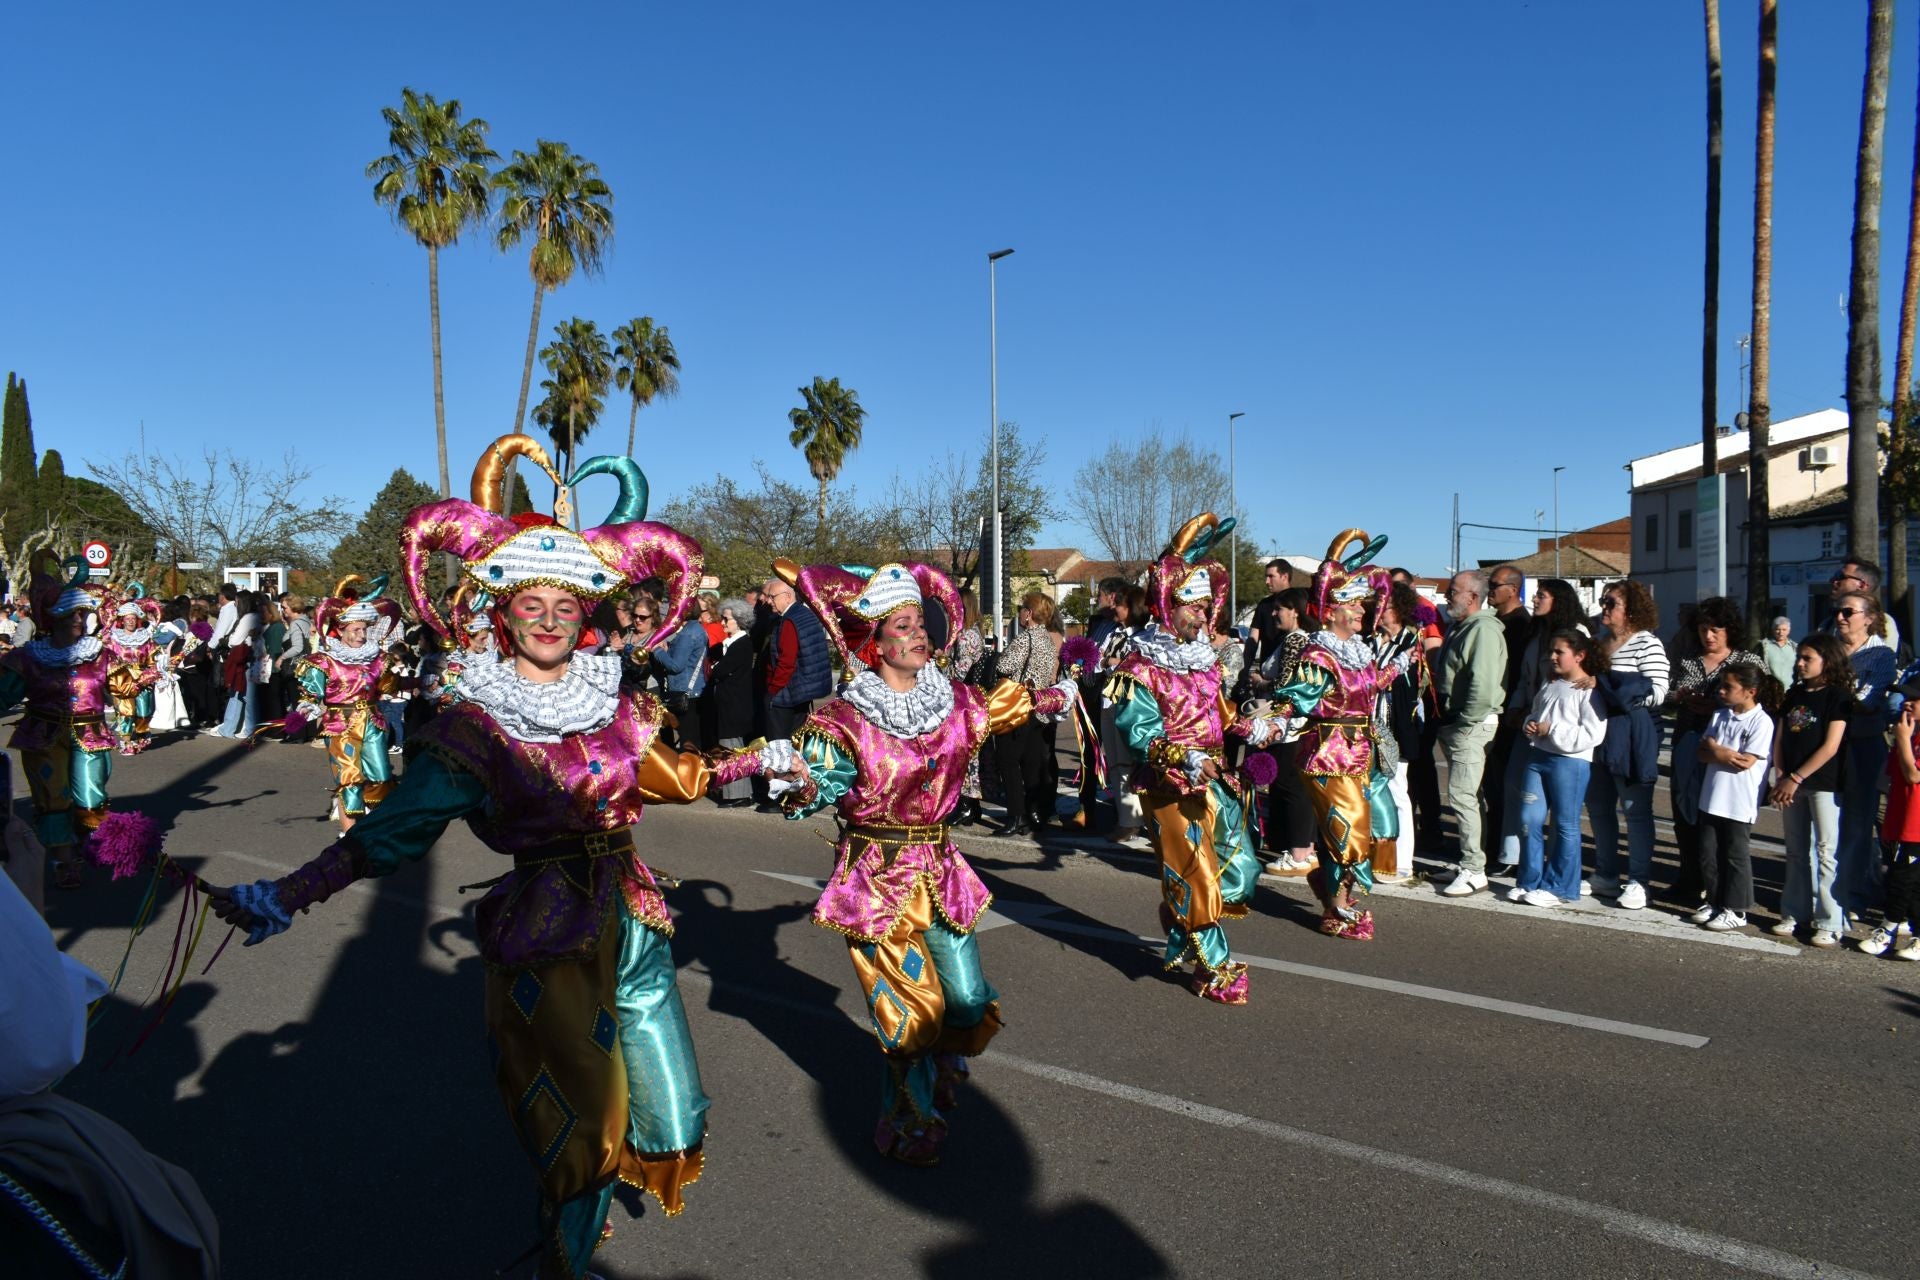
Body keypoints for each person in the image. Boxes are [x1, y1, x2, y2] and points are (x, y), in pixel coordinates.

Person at [211, 438, 790, 1280]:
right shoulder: (475, 727)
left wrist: (760, 760)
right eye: (531, 604)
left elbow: (679, 776)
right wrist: (289, 893)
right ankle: (569, 1247)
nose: (550, 619)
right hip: (549, 927)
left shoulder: (612, 705)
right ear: (504, 615)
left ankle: (582, 1208)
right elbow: (392, 831)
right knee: (582, 1128)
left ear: (584, 615)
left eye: (564, 604)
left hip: (633, 914)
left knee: (673, 1122)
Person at [768, 558, 1075, 1161]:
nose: (918, 634)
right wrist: (796, 775)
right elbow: (817, 789)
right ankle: (905, 1120)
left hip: (939, 870)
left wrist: (1056, 693)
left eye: (920, 622)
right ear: (874, 643)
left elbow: (1011, 706)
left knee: (964, 1000)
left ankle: (943, 1061)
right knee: (913, 1015)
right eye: (903, 625)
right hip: (875, 877)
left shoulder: (956, 702)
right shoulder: (845, 718)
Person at [1107, 514, 1280, 1001]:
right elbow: (1140, 733)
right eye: (1191, 605)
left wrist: (1258, 726)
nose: (1202, 615)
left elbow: (1223, 715)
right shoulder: (1139, 665)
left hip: (1217, 779)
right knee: (1196, 876)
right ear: (1167, 605)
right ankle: (1215, 967)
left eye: (1206, 605)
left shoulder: (1203, 661)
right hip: (1169, 782)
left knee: (1242, 873)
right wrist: (1182, 756)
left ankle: (1180, 916)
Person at [1274, 529, 1407, 935]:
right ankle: (1337, 906)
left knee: (1370, 828)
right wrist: (1271, 719)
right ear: (1330, 611)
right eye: (1351, 604)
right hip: (1328, 754)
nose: (1361, 612)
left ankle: (1333, 891)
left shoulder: (1358, 651)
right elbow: (1299, 696)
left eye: (1361, 604)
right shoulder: (1320, 653)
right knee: (1348, 833)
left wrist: (1397, 667)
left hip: (1362, 752)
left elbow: (1363, 690)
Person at [0, 555, 116, 890]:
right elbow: (4, 694)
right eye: (74, 613)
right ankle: (65, 859)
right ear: (57, 617)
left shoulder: (100, 654)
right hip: (42, 734)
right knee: (53, 799)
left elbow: (125, 687)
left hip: (91, 733)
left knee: (92, 798)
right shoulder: (29, 657)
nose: (81, 619)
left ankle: (88, 843)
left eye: (84, 613)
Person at [1665, 596, 1762, 908]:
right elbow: (1666, 692)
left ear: (1729, 629)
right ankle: (1690, 880)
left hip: (1727, 750)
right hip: (1688, 741)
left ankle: (1718, 887)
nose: (1708, 635)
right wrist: (1680, 697)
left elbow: (1763, 700)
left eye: (1715, 629)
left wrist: (1718, 704)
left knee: (1718, 821)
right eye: (1703, 629)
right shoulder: (1688, 660)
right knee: (1684, 814)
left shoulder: (1748, 661)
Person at [289, 577, 405, 833]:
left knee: (381, 777)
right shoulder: (324, 661)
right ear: (339, 630)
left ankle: (373, 827)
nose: (361, 635)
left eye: (364, 629)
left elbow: (388, 688)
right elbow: (310, 696)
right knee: (349, 780)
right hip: (340, 726)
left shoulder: (379, 659)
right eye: (355, 630)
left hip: (373, 723)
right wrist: (305, 709)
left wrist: (412, 680)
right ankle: (349, 835)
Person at [1507, 631, 1608, 906]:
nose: (1552, 657)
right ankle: (1529, 881)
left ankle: (1560, 887)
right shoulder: (1550, 683)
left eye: (1559, 652)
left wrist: (1552, 730)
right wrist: (1530, 724)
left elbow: (1593, 734)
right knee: (1529, 819)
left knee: (1565, 824)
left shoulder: (1589, 690)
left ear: (1579, 656)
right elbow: (1538, 713)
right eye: (1551, 651)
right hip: (1538, 757)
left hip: (1570, 763)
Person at [1768, 634, 1854, 947]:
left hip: (1822, 784)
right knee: (1795, 850)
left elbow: (1831, 746)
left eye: (1808, 658)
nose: (1800, 664)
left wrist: (1797, 777)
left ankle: (1830, 919)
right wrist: (1781, 775)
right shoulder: (1794, 695)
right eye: (1800, 658)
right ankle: (1794, 912)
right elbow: (1779, 738)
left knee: (1826, 852)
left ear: (1827, 661)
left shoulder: (1838, 696)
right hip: (1790, 782)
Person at [1588, 580, 1669, 910]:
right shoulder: (1598, 642)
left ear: (1632, 610)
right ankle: (1606, 873)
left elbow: (1660, 690)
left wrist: (1618, 691)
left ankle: (1639, 881)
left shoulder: (1647, 644)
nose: (1604, 608)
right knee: (1599, 807)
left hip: (1632, 732)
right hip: (1597, 731)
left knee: (1635, 812)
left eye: (1611, 603)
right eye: (1604, 602)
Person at [1690, 662, 1779, 932]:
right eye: (1721, 685)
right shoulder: (1719, 716)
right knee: (1708, 853)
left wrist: (1720, 752)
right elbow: (1701, 753)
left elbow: (1745, 762)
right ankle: (1716, 901)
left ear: (1750, 691)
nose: (1721, 691)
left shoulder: (1761, 722)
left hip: (1739, 802)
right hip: (1711, 797)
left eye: (1729, 686)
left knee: (1735, 855)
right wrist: (1722, 753)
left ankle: (1737, 908)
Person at [1435, 569, 1508, 896]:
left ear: (1473, 597)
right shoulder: (1465, 627)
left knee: (1462, 796)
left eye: (1454, 591)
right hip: (1461, 722)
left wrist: (1465, 722)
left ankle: (1474, 869)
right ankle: (1471, 860)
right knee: (1469, 796)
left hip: (1471, 725)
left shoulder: (1483, 631)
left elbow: (1483, 684)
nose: (1448, 596)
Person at [1833, 590, 1896, 917]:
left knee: (1857, 825)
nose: (1840, 617)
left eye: (1848, 612)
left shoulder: (1881, 655)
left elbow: (1868, 702)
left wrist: (1830, 698)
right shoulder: (1828, 648)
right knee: (1829, 824)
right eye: (1838, 611)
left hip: (1862, 746)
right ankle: (1828, 892)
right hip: (1828, 745)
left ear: (1869, 618)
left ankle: (1853, 895)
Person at [1247, 586, 1314, 874]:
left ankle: (1300, 852)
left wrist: (1261, 682)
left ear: (1295, 612)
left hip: (1290, 726)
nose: (1274, 614)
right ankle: (1301, 848)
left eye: (1279, 609)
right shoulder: (1291, 639)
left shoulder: (1295, 641)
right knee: (1289, 786)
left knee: (1291, 786)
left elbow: (1287, 686)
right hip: (1288, 724)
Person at [754, 572, 832, 808]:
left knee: (779, 745)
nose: (768, 601)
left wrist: (773, 691)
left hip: (786, 692)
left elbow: (786, 661)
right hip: (801, 691)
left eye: (772, 596)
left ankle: (777, 798)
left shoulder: (789, 621)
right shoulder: (805, 615)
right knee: (796, 744)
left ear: (787, 596)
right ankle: (798, 796)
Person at [991, 592, 1063, 836]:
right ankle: (1033, 813)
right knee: (1031, 764)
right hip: (1039, 709)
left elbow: (1004, 666)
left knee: (1009, 762)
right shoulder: (1047, 640)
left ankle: (1015, 815)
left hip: (1017, 707)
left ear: (1029, 613)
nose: (1020, 612)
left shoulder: (1025, 640)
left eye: (1022, 608)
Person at [1372, 580, 1429, 882]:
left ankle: (1402, 860)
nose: (1380, 612)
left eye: (1388, 607)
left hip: (1395, 728)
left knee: (1397, 793)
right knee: (1373, 794)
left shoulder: (1412, 642)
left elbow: (1399, 687)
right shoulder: (1373, 641)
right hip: (1371, 726)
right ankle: (1380, 857)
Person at [1482, 564, 1533, 865]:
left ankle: (1501, 852)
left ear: (1513, 589)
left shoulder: (1520, 625)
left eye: (1495, 584)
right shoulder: (1493, 621)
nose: (1491, 589)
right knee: (1490, 785)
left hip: (1507, 715)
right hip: (1495, 711)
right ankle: (1491, 846)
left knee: (1503, 787)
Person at [1867, 691, 1920, 958]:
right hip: (1901, 819)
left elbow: (1914, 775)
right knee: (1907, 879)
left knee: (1902, 878)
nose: (1907, 703)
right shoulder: (1910, 735)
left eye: (1916, 698)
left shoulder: (1907, 738)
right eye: (1906, 697)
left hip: (1916, 823)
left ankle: (1887, 930)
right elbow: (1892, 780)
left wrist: (1902, 740)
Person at [1097, 586, 1151, 845]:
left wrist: (1114, 663)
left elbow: (1140, 667)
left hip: (1129, 706)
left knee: (1131, 763)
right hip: (1108, 702)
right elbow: (1099, 660)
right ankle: (1125, 818)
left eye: (1120, 604)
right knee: (1116, 763)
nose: (1114, 608)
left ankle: (1134, 820)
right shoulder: (1113, 633)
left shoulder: (1143, 637)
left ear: (1132, 608)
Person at [707, 597, 757, 806]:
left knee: (732, 749)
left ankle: (738, 794)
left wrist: (716, 667)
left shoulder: (742, 645)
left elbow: (719, 670)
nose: (723, 623)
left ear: (739, 620)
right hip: (729, 704)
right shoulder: (730, 645)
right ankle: (733, 792)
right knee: (730, 747)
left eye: (727, 619)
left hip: (735, 705)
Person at [102, 587, 164, 755]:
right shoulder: (114, 638)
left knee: (144, 712)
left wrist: (153, 673)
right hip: (122, 679)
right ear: (122, 620)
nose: (130, 621)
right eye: (127, 618)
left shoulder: (145, 637)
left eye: (133, 618)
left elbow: (153, 659)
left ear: (137, 620)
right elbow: (106, 656)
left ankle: (142, 731)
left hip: (143, 678)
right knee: (125, 712)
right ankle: (126, 741)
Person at [947, 589, 989, 827]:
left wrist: (941, 661)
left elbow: (960, 673)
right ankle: (972, 806)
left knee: (964, 753)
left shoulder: (965, 637)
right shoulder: (974, 633)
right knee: (969, 753)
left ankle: (966, 805)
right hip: (971, 699)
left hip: (964, 700)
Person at [212, 590, 261, 739]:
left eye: (237, 602)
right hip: (252, 659)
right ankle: (231, 728)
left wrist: (230, 638)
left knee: (243, 695)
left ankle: (244, 729)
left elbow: (235, 640)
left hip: (245, 659)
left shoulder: (247, 618)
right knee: (239, 694)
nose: (235, 605)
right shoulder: (256, 616)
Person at [1761, 615, 1796, 689]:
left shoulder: (1795, 647)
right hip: (1772, 689)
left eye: (1784, 630)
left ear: (1789, 630)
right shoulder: (1765, 646)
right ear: (1773, 630)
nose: (1781, 632)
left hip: (1791, 689)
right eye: (1778, 629)